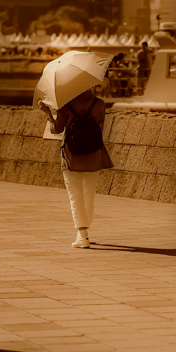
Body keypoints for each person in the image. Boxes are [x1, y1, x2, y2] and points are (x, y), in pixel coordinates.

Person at [38, 89, 112, 249]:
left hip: (72, 154)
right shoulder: (99, 103)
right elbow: (100, 127)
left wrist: (48, 114)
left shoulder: (65, 104)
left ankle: (82, 234)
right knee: (89, 193)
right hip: (94, 153)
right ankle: (85, 230)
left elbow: (56, 129)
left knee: (75, 195)